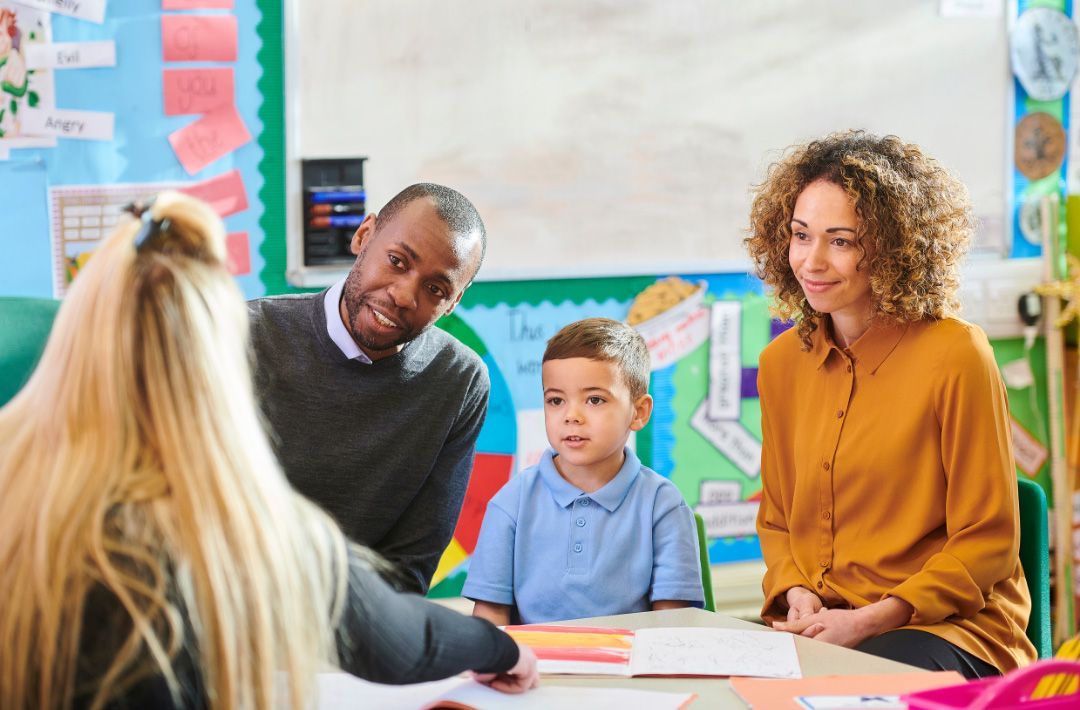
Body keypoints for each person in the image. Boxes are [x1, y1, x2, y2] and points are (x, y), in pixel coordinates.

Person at [0, 192, 537, 710]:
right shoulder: (237, 525)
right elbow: (395, 639)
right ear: (214, 367)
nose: (402, 293)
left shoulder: (16, 463)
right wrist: (500, 647)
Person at [745, 130, 1036, 678]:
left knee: (854, 688)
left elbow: (988, 540)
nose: (812, 261)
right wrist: (796, 591)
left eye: (841, 241)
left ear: (894, 246)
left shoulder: (956, 353)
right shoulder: (781, 364)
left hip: (947, 627)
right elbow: (779, 521)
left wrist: (873, 619)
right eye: (800, 235)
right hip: (824, 623)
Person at [248, 183, 489, 594]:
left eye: (436, 289)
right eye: (397, 261)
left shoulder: (459, 381)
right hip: (226, 618)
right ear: (364, 235)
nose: (403, 295)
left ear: (454, 302)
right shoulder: (241, 337)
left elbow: (412, 565)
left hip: (359, 630)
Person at [464, 317, 704, 624]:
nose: (571, 416)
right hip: (534, 669)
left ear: (638, 412)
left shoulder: (663, 504)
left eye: (594, 399)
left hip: (629, 667)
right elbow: (490, 617)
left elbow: (673, 622)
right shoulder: (512, 502)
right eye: (556, 400)